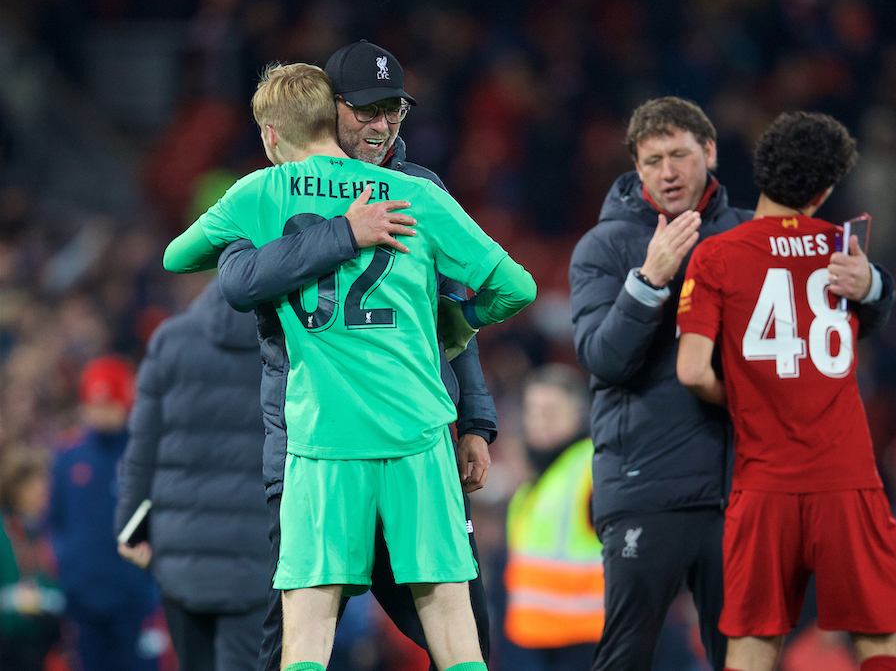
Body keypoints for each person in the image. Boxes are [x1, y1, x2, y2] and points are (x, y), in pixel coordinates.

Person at [163, 62, 535, 671]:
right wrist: (455, 324)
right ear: (333, 115)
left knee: (306, 627)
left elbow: (183, 258)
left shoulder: (261, 193)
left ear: (270, 135)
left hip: (322, 440)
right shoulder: (414, 196)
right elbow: (516, 286)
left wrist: (260, 232)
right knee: (452, 622)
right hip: (418, 435)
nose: (383, 124)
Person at [568, 97, 896, 670]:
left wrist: (871, 287)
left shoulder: (751, 233)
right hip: (647, 487)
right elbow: (603, 359)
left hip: (736, 489)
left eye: (679, 155)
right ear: (636, 167)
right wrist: (648, 281)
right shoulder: (606, 246)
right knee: (625, 656)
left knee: (739, 655)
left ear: (710, 152)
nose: (667, 172)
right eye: (651, 161)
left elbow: (829, 327)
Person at [675, 111, 896, 671]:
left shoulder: (717, 255)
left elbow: (690, 371)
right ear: (826, 188)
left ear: (761, 175)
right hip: (846, 478)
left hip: (764, 485)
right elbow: (878, 302)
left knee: (754, 645)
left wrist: (748, 399)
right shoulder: (843, 251)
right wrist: (875, 282)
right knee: (881, 641)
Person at [113, 277, 269, 671]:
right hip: (257, 549)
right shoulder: (289, 341)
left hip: (179, 549)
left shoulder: (169, 339)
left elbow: (142, 445)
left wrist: (130, 527)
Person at [49, 355, 162, 671]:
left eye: (107, 403)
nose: (99, 412)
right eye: (93, 403)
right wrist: (68, 570)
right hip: (84, 600)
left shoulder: (144, 454)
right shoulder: (67, 456)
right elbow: (55, 520)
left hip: (136, 598)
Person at [501, 364, 601, 671]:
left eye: (550, 411)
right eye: (532, 411)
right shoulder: (535, 482)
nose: (538, 421)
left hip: (582, 642)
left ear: (578, 415)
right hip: (529, 641)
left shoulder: (594, 468)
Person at [0, 448, 65, 670]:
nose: (41, 492)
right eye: (33, 485)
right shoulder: (4, 530)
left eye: (45, 485)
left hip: (48, 638)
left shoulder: (54, 532)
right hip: (8, 640)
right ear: (15, 488)